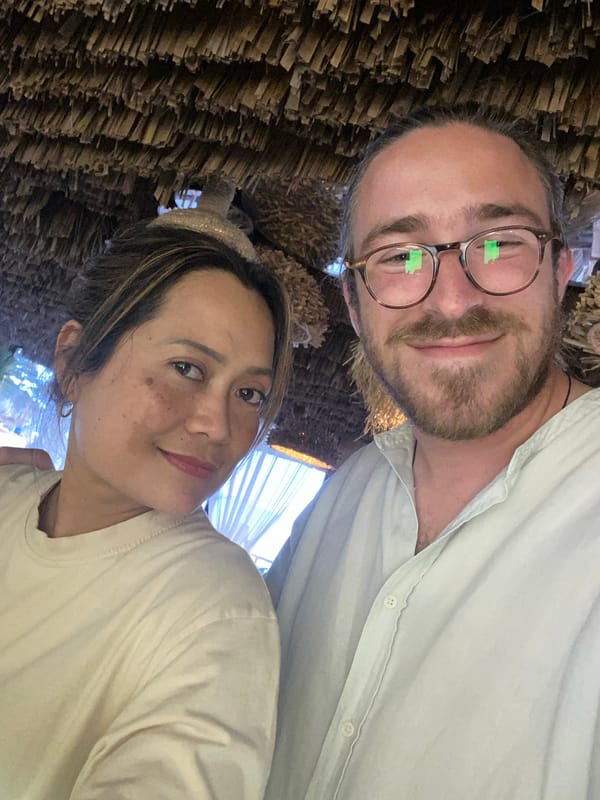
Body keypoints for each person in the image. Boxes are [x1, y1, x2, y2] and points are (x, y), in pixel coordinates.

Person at [265, 104, 600, 800]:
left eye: (500, 242)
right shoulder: (342, 497)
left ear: (562, 270)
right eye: (399, 256)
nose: (451, 299)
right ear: (356, 305)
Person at [0, 207, 292, 800]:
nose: (218, 424)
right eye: (186, 368)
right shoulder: (9, 500)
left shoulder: (215, 607)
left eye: (249, 394)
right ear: (75, 359)